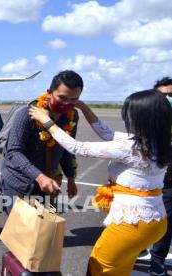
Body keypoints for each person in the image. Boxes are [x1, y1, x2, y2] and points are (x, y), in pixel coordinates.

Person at [30, 90, 171, 275]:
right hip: (155, 221)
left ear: (142, 118)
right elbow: (106, 132)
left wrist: (46, 121)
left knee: (99, 266)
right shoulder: (158, 142)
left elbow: (77, 147)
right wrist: (82, 106)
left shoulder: (129, 147)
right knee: (121, 267)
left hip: (133, 223)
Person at [1, 70, 82, 212]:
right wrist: (39, 177)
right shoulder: (27, 115)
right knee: (22, 230)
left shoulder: (72, 116)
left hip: (47, 183)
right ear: (49, 92)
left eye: (73, 99)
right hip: (20, 182)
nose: (67, 103)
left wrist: (70, 178)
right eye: (62, 98)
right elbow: (13, 152)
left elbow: (67, 149)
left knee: (43, 230)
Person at [145, 76, 172, 276]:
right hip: (147, 178)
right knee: (142, 217)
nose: (168, 99)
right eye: (164, 96)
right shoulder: (146, 119)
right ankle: (138, 247)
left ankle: (157, 261)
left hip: (169, 179)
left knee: (166, 222)